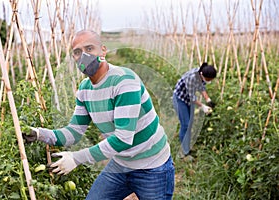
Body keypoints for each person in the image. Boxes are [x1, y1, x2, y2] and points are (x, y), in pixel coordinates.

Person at [23, 30, 175, 200]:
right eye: (77, 52)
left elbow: (124, 139)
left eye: (89, 48)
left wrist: (76, 158)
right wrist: (38, 133)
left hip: (152, 166)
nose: (84, 56)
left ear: (103, 51)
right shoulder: (85, 89)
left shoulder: (124, 81)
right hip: (121, 164)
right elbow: (73, 133)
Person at [172, 63, 216, 159]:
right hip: (180, 99)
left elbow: (201, 87)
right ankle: (184, 153)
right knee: (185, 124)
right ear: (202, 75)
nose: (209, 81)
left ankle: (187, 147)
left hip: (188, 100)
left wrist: (208, 99)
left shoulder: (201, 73)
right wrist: (203, 106)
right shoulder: (192, 78)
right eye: (208, 80)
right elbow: (192, 97)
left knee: (189, 124)